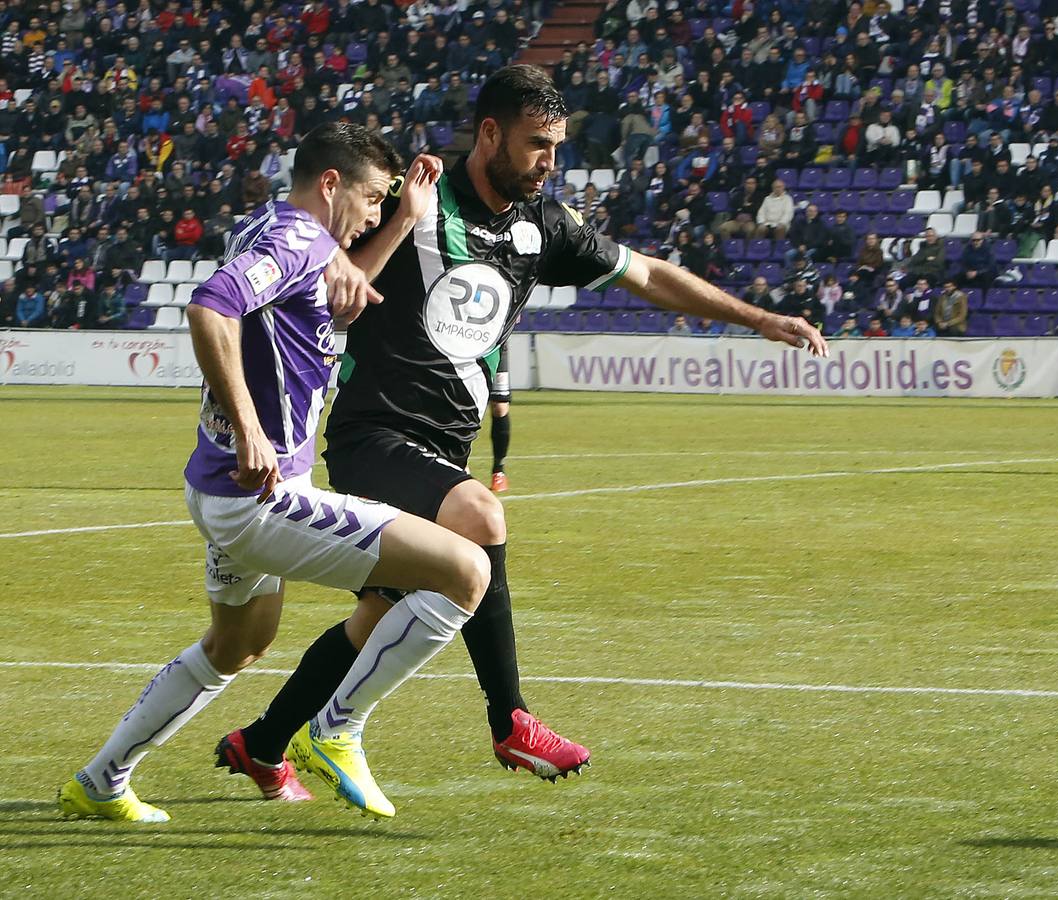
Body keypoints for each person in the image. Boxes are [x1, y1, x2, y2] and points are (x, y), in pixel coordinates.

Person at [219, 66, 828, 817]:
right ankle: (510, 720)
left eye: (556, 147)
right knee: (480, 520)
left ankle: (264, 741)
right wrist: (337, 261)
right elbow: (321, 223)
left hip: (444, 447)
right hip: (373, 435)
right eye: (537, 144)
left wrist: (758, 319)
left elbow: (649, 275)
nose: (548, 161)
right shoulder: (415, 193)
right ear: (489, 134)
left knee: (380, 615)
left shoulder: (545, 224)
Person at [58, 123, 474, 824]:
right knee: (464, 571)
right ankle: (335, 729)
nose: (371, 215)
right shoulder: (296, 241)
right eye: (371, 198)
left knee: (237, 644)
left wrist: (404, 218)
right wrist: (250, 427)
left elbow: (326, 293)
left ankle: (101, 780)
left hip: (219, 487)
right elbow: (210, 307)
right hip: (262, 494)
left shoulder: (275, 228)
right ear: (331, 183)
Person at [489, 348, 511, 493]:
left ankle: (499, 471)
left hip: (495, 347)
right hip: (465, 344)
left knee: (500, 407)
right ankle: (461, 466)